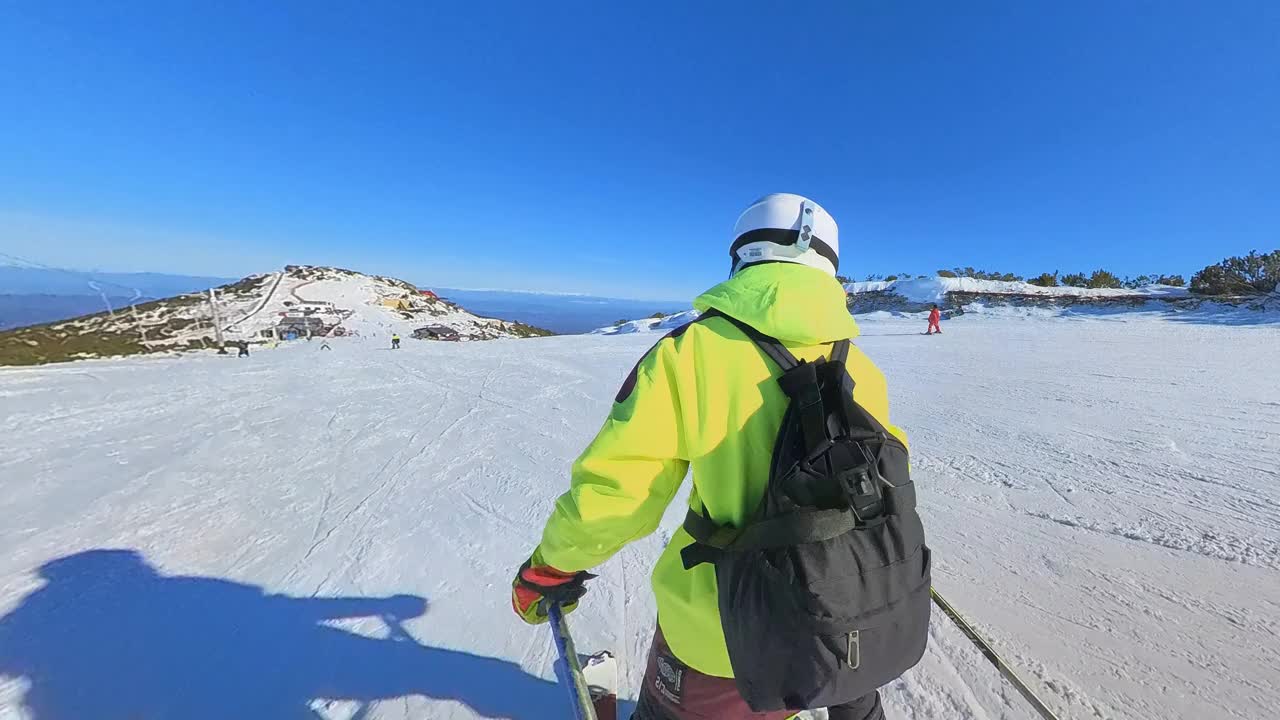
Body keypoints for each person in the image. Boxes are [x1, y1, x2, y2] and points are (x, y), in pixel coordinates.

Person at [512, 193, 913, 720]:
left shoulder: (690, 352)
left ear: (742, 256)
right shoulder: (860, 365)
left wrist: (550, 568)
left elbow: (619, 493)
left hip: (725, 633)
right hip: (836, 616)